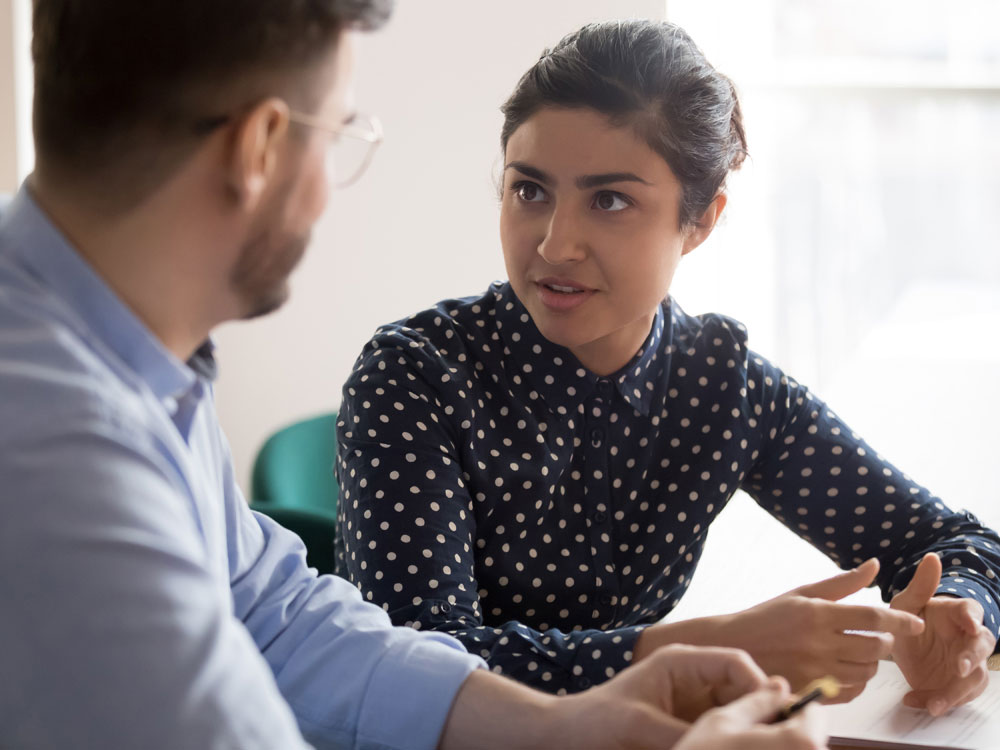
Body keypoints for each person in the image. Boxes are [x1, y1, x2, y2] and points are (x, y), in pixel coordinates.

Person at [0, 2, 830, 749]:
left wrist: (560, 726)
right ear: (258, 147)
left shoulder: (125, 363)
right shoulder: (60, 454)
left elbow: (274, 615)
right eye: (340, 133)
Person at [335, 18, 1000, 714]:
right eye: (529, 190)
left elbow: (953, 542)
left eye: (610, 200)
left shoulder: (723, 386)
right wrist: (708, 653)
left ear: (701, 220)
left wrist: (958, 618)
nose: (557, 245)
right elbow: (419, 665)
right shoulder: (414, 377)